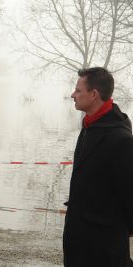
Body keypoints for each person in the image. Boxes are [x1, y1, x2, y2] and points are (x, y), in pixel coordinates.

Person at [63, 67, 133, 267]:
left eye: (77, 90)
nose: (72, 95)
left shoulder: (121, 140)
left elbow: (129, 194)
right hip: (78, 240)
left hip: (104, 248)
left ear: (94, 94)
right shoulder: (88, 127)